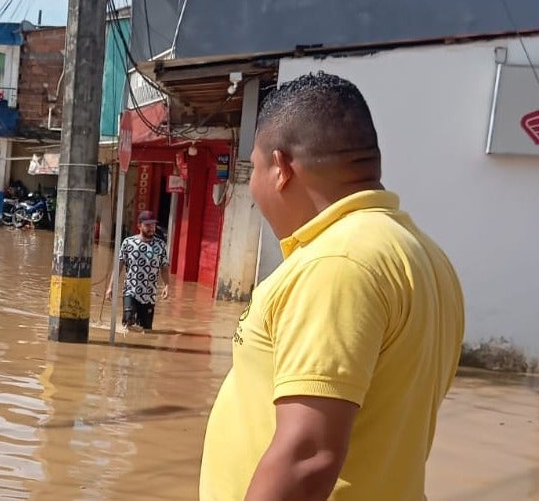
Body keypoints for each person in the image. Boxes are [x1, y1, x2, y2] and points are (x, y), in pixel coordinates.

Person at [199, 72, 465, 500]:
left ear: (281, 169)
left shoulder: (336, 264)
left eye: (255, 167)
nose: (252, 186)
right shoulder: (423, 255)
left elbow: (307, 456)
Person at [106, 210, 170, 332]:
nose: (151, 228)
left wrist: (167, 285)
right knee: (128, 323)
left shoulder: (160, 245)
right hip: (131, 291)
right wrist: (111, 287)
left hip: (149, 295)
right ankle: (126, 348)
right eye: (147, 225)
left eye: (153, 225)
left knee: (146, 330)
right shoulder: (128, 243)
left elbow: (164, 267)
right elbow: (119, 265)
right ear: (139, 226)